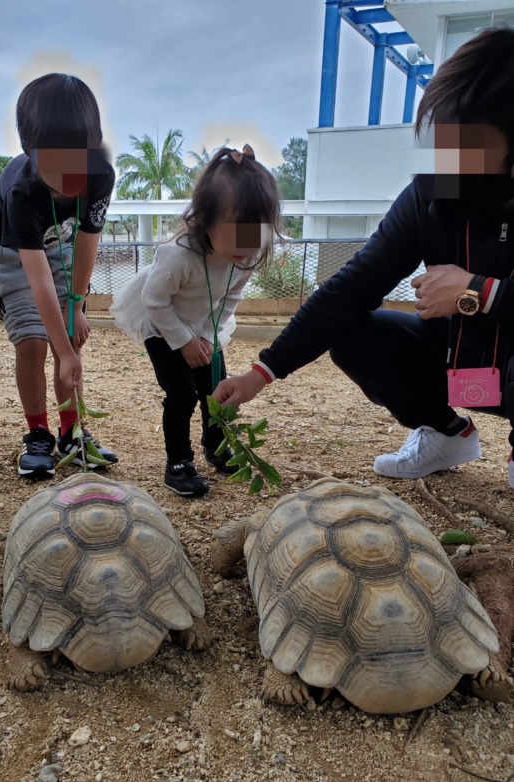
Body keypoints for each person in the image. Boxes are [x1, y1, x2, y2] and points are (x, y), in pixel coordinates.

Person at [213, 28, 514, 489]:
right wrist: (262, 371)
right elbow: (348, 290)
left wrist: (480, 292)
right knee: (351, 329)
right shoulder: (432, 195)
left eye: (469, 140)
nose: (448, 153)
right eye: (443, 133)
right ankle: (446, 433)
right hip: (461, 364)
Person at [111, 145, 281, 497]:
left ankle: (216, 446)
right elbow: (154, 301)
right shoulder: (178, 255)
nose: (247, 245)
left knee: (216, 391)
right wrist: (184, 341)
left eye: (256, 233)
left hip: (205, 327)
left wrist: (206, 336)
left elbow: (230, 298)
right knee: (182, 393)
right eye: (237, 231)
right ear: (206, 217)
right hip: (162, 327)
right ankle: (178, 463)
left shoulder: (241, 258)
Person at [0, 73, 118, 478]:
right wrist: (61, 345)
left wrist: (77, 305)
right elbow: (38, 280)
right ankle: (38, 433)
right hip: (13, 251)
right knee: (34, 343)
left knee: (71, 339)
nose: (71, 175)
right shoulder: (22, 192)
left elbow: (87, 242)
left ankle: (72, 434)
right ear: (31, 153)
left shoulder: (101, 176)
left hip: (61, 241)